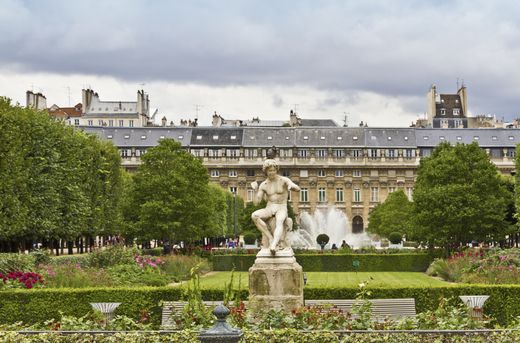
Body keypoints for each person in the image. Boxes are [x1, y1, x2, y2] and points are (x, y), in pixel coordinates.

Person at [251, 159, 300, 255]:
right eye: (270, 171)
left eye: (274, 170)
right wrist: (255, 190)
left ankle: (274, 244)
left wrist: (291, 185)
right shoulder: (263, 185)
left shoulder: (284, 180)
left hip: (281, 206)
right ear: (266, 172)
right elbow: (256, 203)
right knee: (254, 216)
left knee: (280, 220)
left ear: (276, 170)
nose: (272, 172)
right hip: (269, 207)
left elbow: (297, 188)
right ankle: (270, 238)